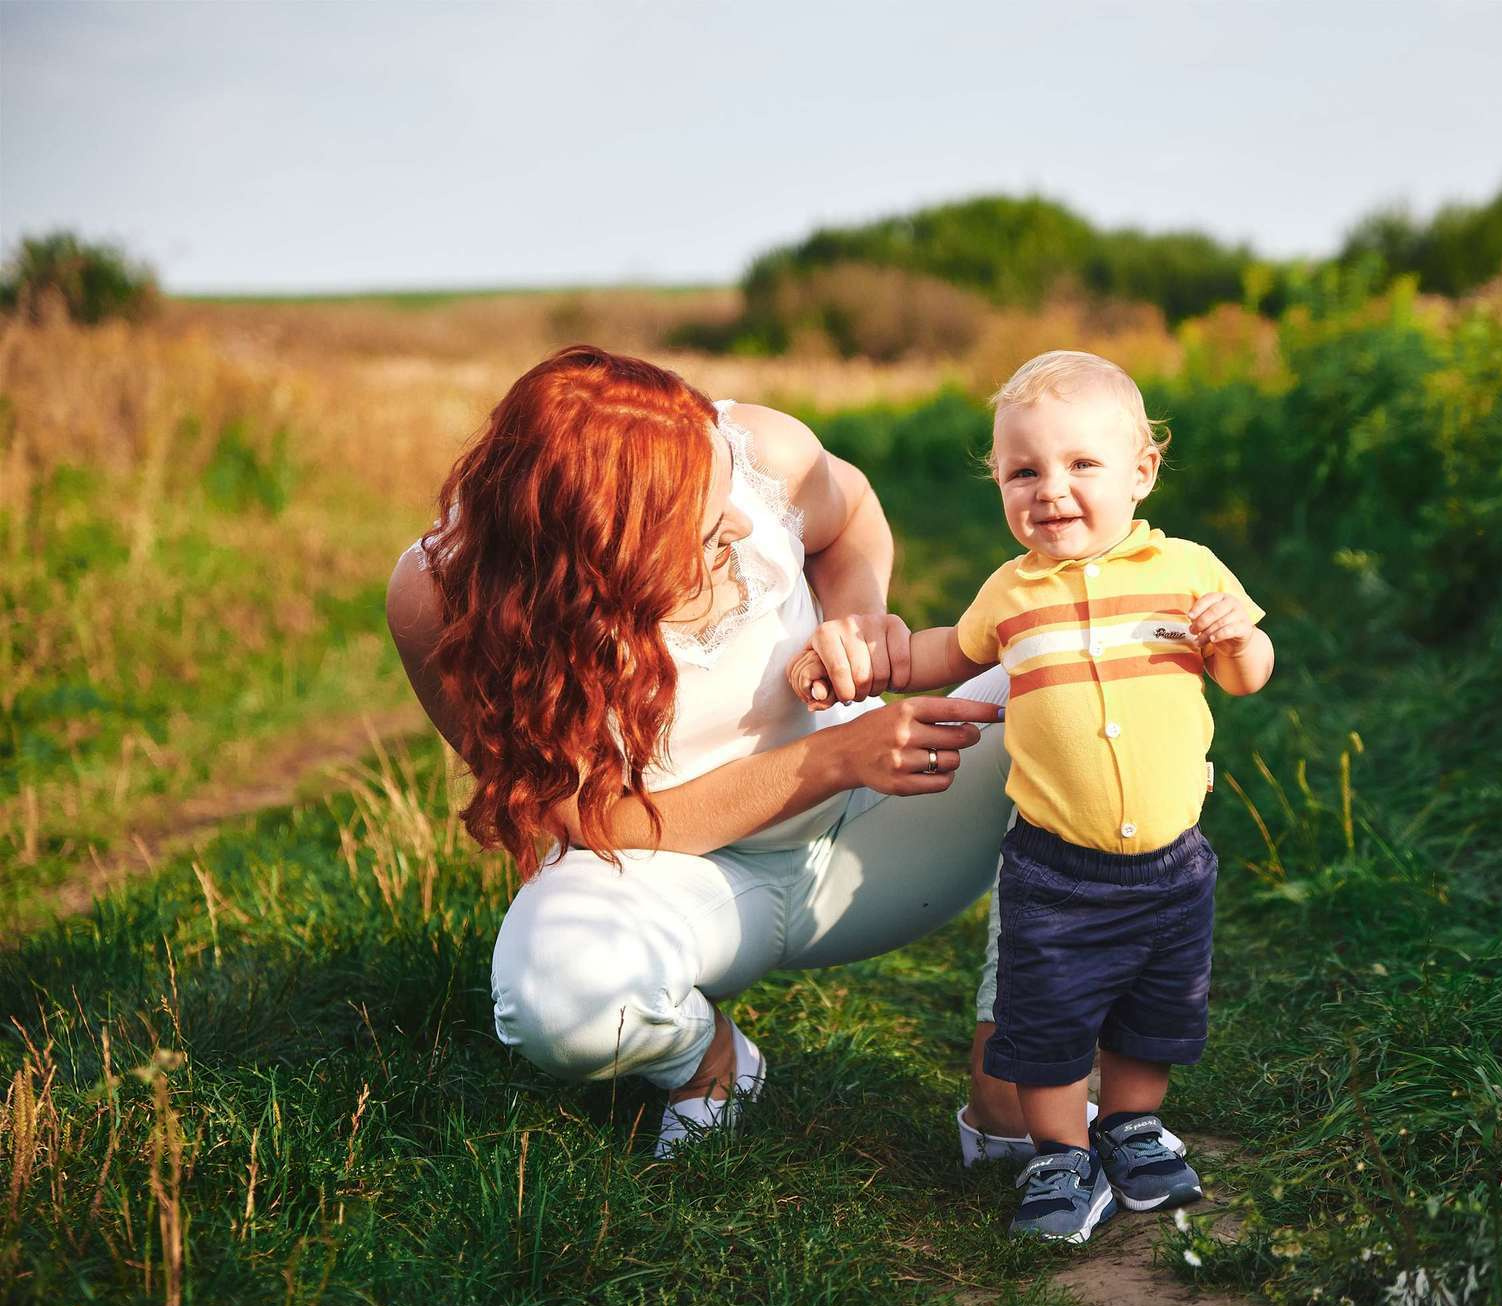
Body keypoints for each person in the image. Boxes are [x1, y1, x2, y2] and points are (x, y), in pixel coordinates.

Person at [384, 344, 1074, 1162]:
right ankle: (708, 1062)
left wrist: (856, 621)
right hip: (678, 881)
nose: (742, 524)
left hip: (874, 841)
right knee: (554, 996)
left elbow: (849, 512)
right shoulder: (439, 597)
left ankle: (1015, 1068)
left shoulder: (756, 453)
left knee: (1076, 672)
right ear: (598, 560)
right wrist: (830, 758)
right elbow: (589, 815)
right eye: (709, 528)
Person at [788, 350, 1275, 1242]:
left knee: (1152, 1009)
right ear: (1002, 484)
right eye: (1024, 470)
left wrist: (1239, 637)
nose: (1051, 489)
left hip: (1170, 858)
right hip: (1055, 863)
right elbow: (950, 656)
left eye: (1082, 464)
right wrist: (883, 655)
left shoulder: (1190, 570)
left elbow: (1248, 678)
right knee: (1047, 1012)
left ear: (1142, 471)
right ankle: (1062, 1152)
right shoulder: (1011, 593)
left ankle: (1129, 1127)